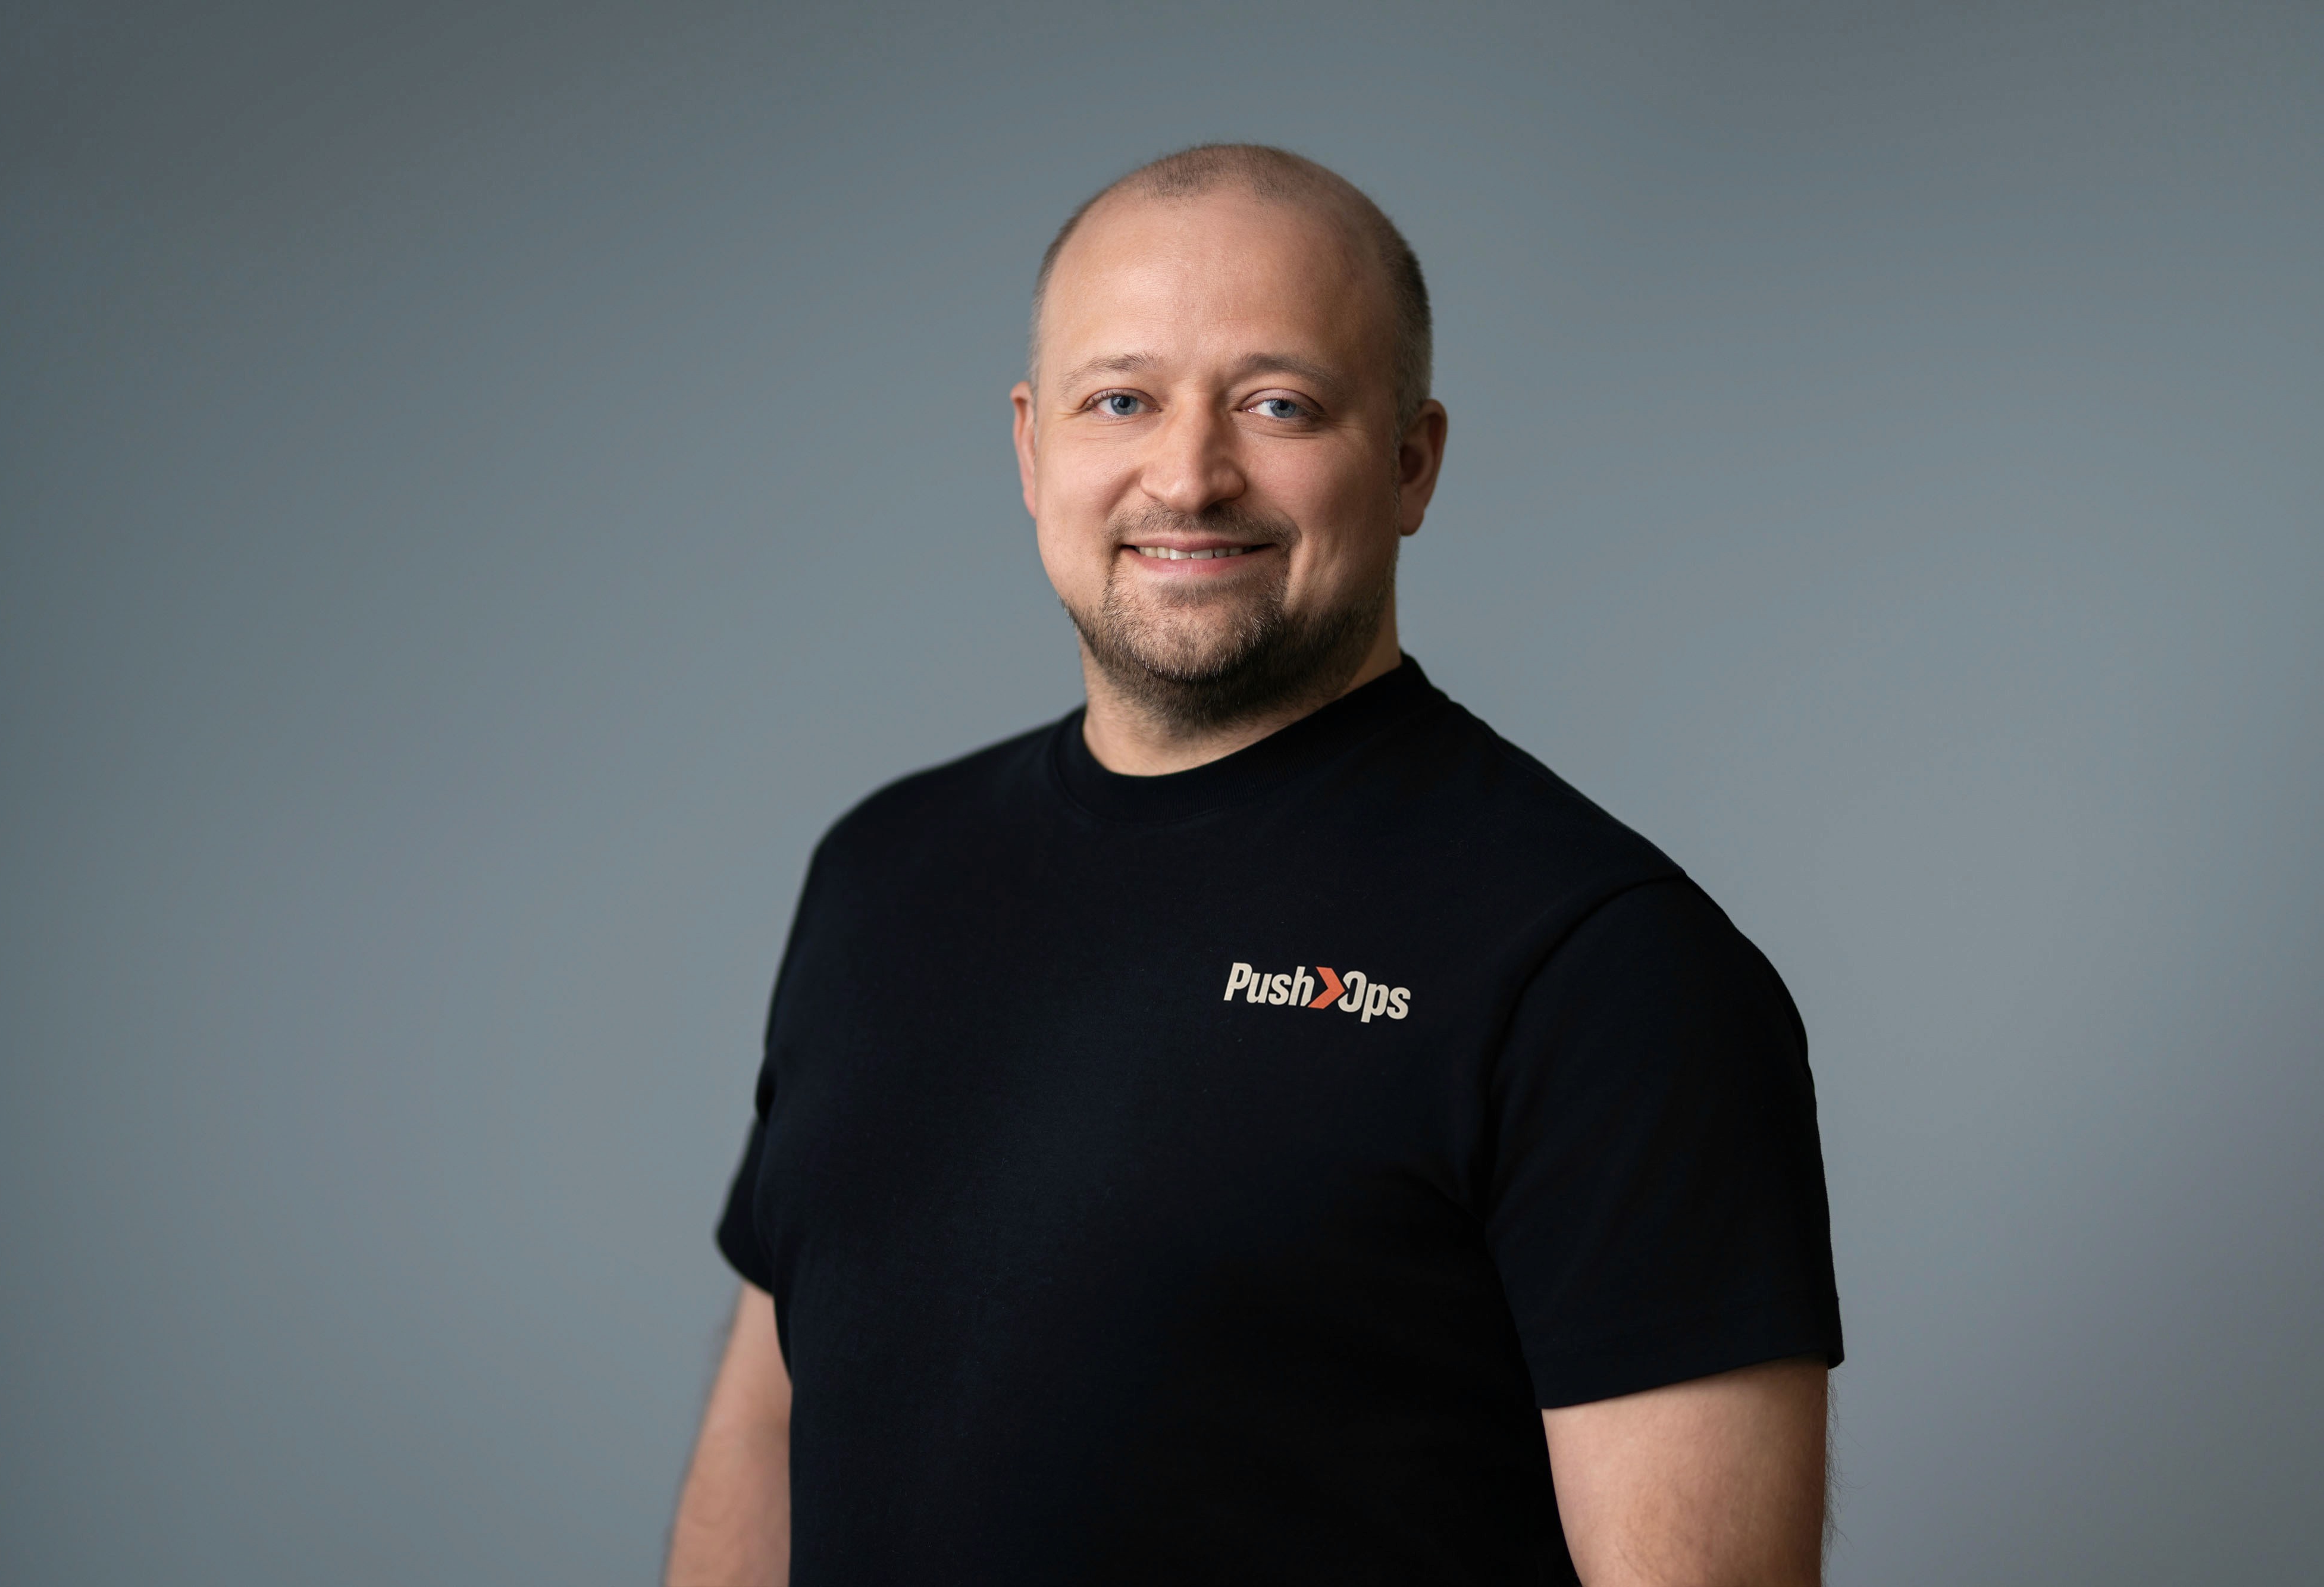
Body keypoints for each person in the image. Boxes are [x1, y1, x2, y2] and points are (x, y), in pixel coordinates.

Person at [665, 144, 1842, 1587]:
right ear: (1031, 448)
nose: (1187, 475)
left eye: (1277, 404)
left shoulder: (1601, 966)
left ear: (1409, 461)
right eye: (1121, 399)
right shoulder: (880, 872)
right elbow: (766, 1433)